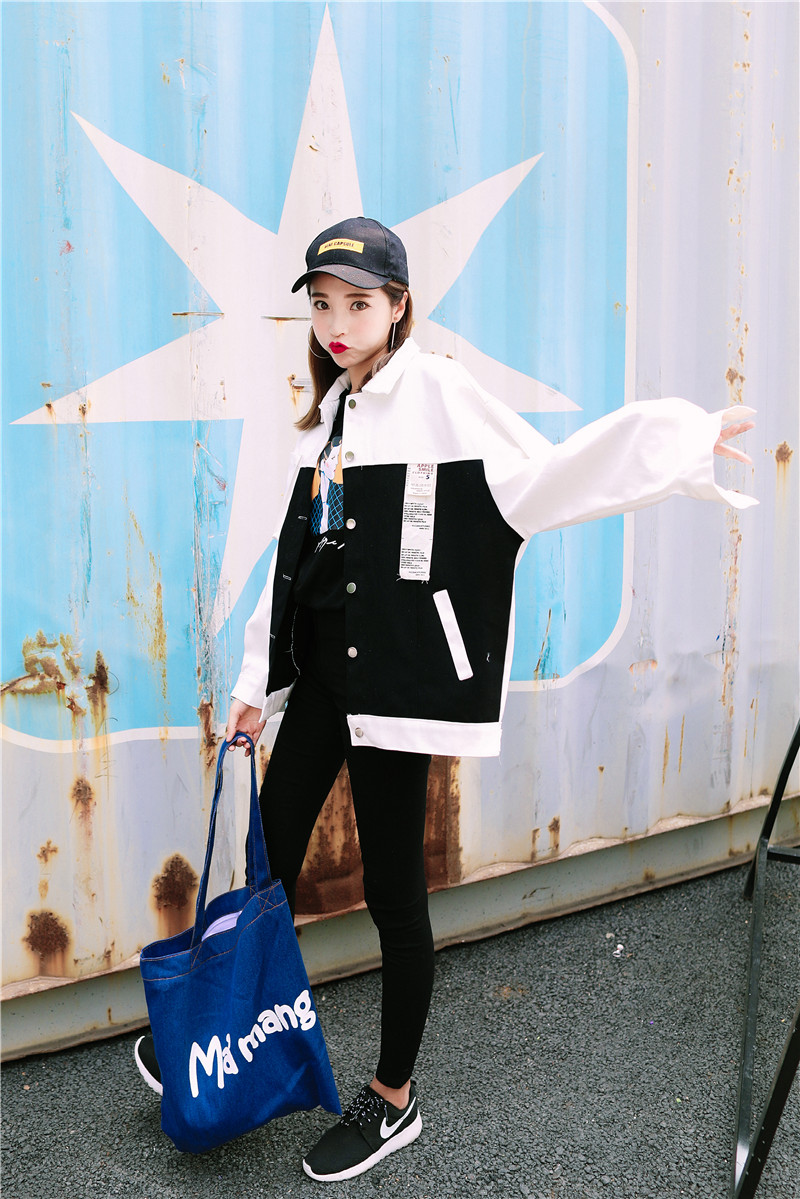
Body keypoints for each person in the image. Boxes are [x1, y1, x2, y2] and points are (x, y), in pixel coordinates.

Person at [136, 216, 755, 1182]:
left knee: (393, 894)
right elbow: (294, 558)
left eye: (359, 303)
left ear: (400, 306)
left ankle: (393, 1099)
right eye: (323, 304)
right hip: (323, 683)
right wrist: (257, 685)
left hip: (396, 689)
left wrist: (677, 440)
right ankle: (220, 1026)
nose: (338, 322)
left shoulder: (441, 395)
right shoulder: (334, 410)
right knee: (269, 865)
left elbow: (549, 479)